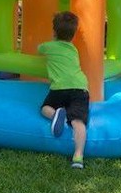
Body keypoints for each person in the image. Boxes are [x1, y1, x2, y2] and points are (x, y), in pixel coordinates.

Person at [38, 11, 89, 169]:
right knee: (78, 121)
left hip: (59, 88)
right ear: (73, 36)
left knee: (44, 108)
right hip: (80, 88)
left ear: (54, 32)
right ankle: (78, 156)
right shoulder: (73, 49)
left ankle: (55, 115)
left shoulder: (48, 46)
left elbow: (38, 49)